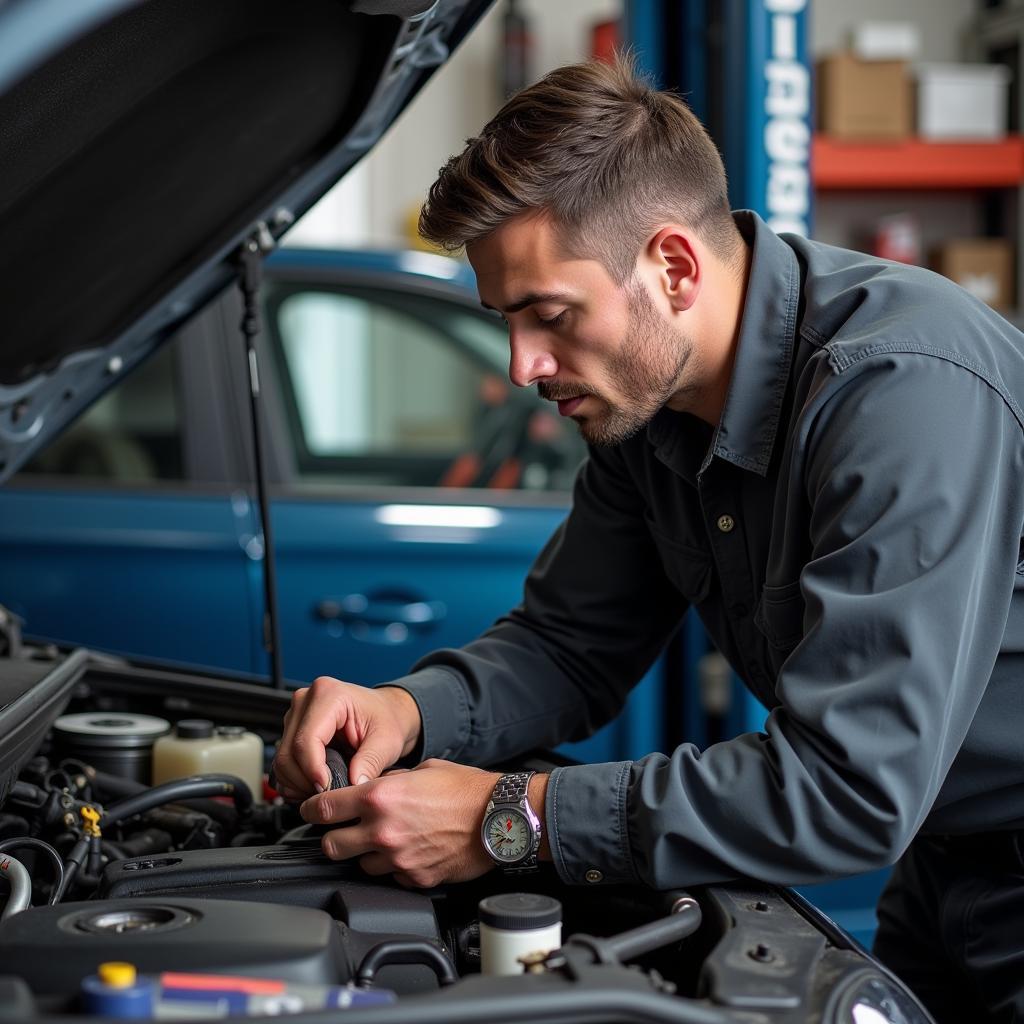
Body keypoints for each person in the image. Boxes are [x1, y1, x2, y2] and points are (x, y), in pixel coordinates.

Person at [272, 57, 1024, 1021]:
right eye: (506, 321)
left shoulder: (901, 393)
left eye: (550, 315)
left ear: (672, 266)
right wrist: (409, 712)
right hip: (944, 865)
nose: (523, 365)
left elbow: (847, 786)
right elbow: (567, 645)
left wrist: (514, 820)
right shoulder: (647, 406)